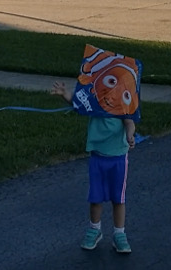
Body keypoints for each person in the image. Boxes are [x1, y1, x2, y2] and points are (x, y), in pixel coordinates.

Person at [51, 81, 135, 253]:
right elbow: (79, 106)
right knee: (95, 197)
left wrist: (130, 134)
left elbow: (129, 122)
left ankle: (119, 234)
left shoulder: (122, 102)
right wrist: (65, 95)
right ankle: (94, 230)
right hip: (98, 157)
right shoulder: (95, 100)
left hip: (118, 157)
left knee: (118, 198)